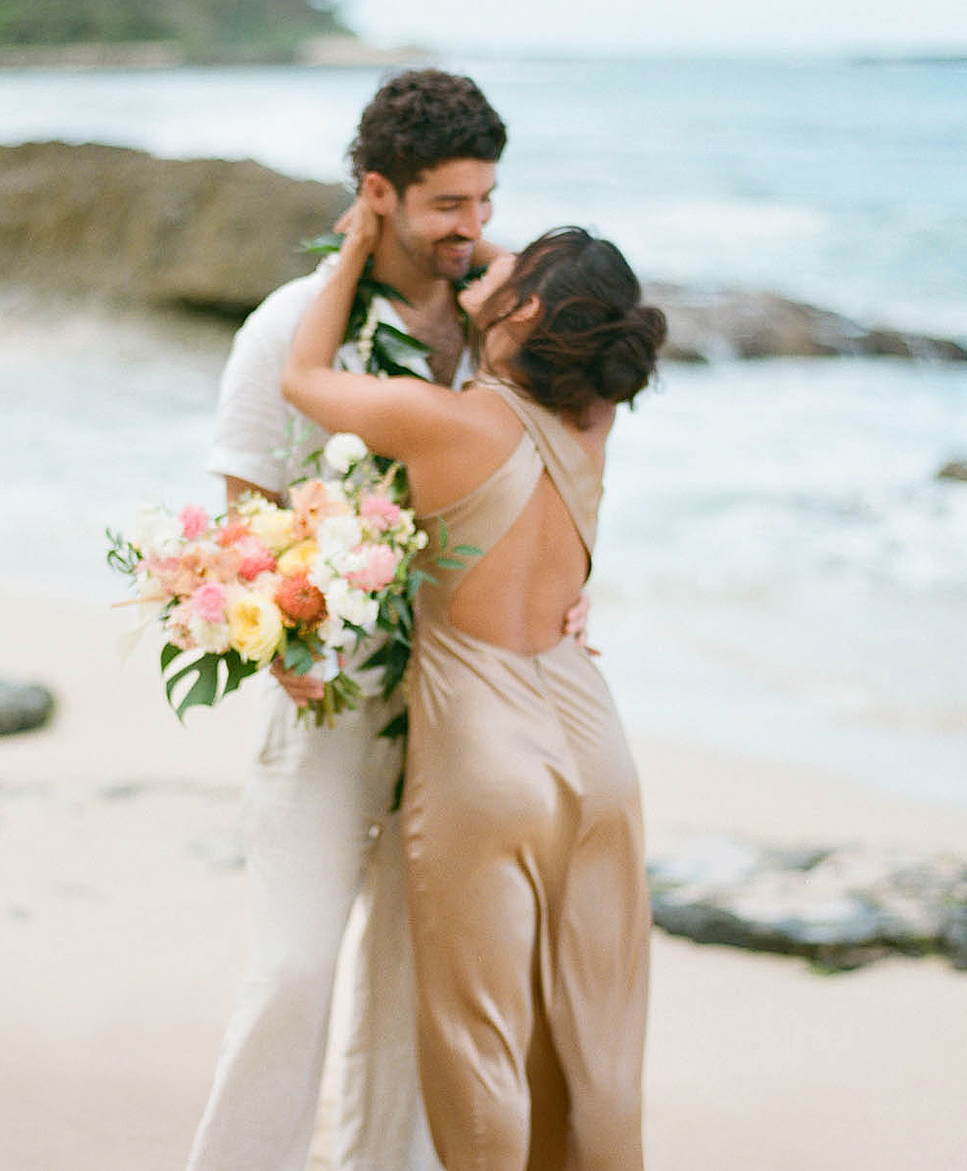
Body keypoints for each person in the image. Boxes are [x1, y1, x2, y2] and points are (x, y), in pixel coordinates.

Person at [282, 210, 667, 1171]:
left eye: (506, 263)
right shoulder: (593, 419)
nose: (478, 254)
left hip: (486, 758)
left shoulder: (438, 417)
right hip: (597, 742)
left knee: (480, 1045)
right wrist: (515, 285)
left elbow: (302, 378)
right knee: (601, 1050)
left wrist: (362, 244)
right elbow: (580, 311)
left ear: (529, 304)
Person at [186, 69, 507, 1171]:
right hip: (326, 707)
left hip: (465, 716)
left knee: (417, 997)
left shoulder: (497, 329)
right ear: (379, 193)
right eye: (449, 205)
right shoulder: (288, 328)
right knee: (293, 972)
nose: (472, 230)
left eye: (486, 203)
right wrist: (289, 650)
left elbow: (546, 480)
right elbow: (243, 524)